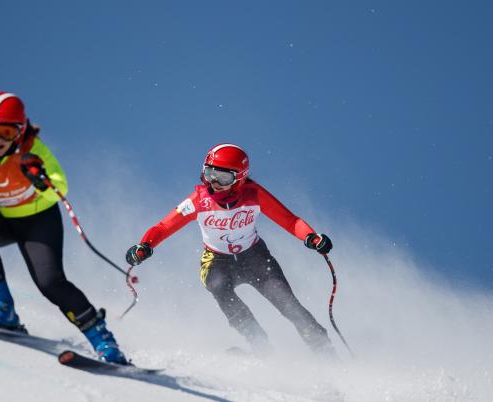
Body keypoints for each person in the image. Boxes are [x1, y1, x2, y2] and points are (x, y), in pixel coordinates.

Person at [0, 91, 127, 364]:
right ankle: (3, 310)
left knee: (50, 283)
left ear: (20, 133)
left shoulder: (33, 150)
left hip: (37, 221)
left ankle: (105, 342)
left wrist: (41, 180)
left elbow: (60, 187)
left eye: (7, 133)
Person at [125, 143, 337, 357]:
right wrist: (145, 245)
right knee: (216, 284)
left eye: (223, 178)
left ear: (240, 178)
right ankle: (259, 344)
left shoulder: (254, 195)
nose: (214, 183)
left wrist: (311, 237)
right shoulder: (199, 201)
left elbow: (290, 221)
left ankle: (325, 352)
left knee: (287, 304)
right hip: (217, 260)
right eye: (209, 174)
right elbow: (164, 226)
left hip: (255, 257)